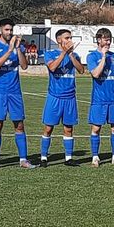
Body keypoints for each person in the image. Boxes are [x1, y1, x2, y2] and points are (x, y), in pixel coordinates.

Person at [0, 18, 34, 169]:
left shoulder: (18, 47)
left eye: (11, 30)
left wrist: (18, 48)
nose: (9, 32)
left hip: (15, 92)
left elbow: (24, 66)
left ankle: (23, 160)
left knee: (19, 125)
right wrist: (9, 50)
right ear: (0, 30)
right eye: (7, 29)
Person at [40, 29, 84, 167]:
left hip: (70, 97)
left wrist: (70, 54)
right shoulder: (50, 53)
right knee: (48, 128)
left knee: (68, 128)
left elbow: (81, 70)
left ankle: (68, 158)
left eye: (70, 37)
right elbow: (52, 68)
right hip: (55, 96)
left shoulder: (74, 55)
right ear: (59, 40)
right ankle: (43, 157)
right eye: (67, 38)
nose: (70, 40)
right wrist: (64, 53)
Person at [87, 28, 114, 167]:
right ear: (99, 40)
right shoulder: (92, 56)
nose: (108, 42)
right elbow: (96, 74)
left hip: (113, 98)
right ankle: (95, 157)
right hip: (99, 99)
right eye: (105, 40)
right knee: (96, 128)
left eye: (109, 40)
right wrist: (103, 57)